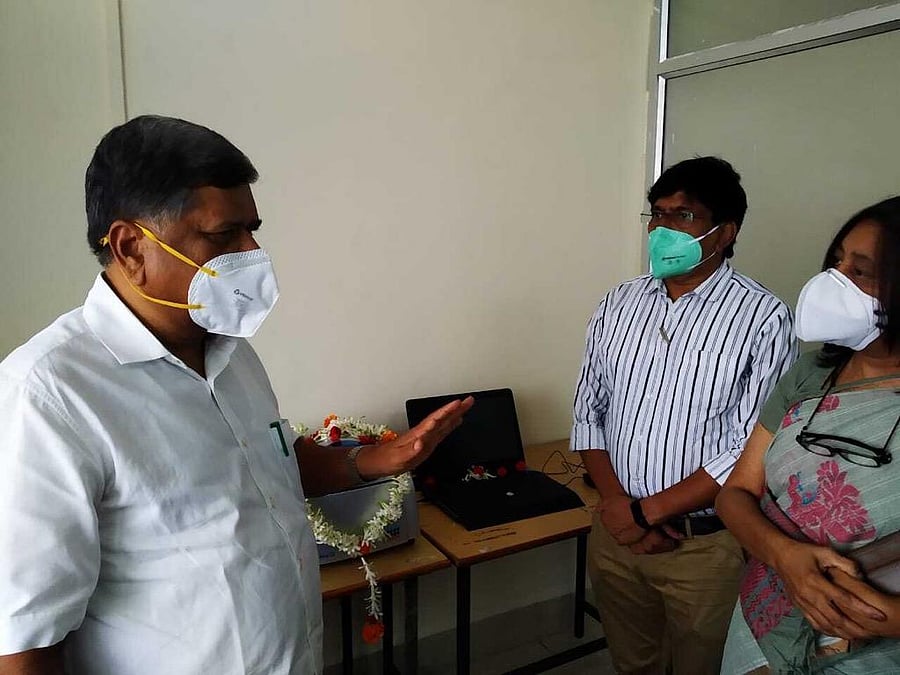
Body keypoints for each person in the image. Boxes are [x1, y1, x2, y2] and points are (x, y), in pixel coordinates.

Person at [0, 115, 473, 675]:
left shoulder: (229, 346)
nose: (250, 253)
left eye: (252, 230)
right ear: (131, 247)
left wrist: (374, 461)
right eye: (223, 236)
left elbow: (268, 464)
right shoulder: (50, 395)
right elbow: (26, 640)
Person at [571, 156, 797, 674]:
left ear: (725, 232)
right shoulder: (618, 303)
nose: (665, 228)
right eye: (658, 214)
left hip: (705, 546)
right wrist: (617, 507)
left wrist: (647, 513)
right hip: (616, 533)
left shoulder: (762, 317)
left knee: (703, 665)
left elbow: (749, 447)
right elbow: (589, 410)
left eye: (685, 215)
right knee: (634, 663)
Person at [717, 196, 900, 674]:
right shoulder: (812, 373)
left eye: (861, 271)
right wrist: (785, 558)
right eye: (836, 261)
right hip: (767, 615)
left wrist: (893, 619)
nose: (832, 281)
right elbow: (736, 492)